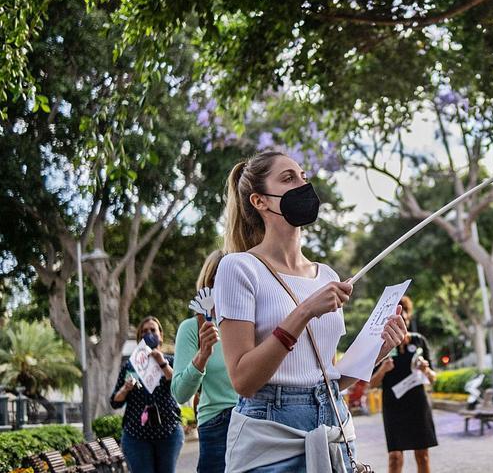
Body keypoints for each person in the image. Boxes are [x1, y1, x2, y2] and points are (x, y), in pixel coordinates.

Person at [214, 151, 407, 472]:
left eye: (303, 176)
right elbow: (243, 380)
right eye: (288, 178)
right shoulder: (239, 268)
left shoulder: (327, 276)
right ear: (260, 201)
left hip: (334, 425)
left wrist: (379, 349)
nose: (304, 185)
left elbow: (330, 376)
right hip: (271, 434)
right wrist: (303, 312)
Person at [171, 250, 237, 473]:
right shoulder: (192, 329)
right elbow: (180, 393)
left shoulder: (254, 320)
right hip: (218, 424)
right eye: (220, 277)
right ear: (208, 282)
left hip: (257, 420)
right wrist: (203, 356)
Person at [369, 296, 437, 473]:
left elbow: (433, 378)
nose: (401, 322)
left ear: (408, 318)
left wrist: (425, 370)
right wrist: (383, 369)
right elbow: (371, 384)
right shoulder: (381, 344)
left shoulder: (418, 341)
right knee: (395, 457)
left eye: (404, 318)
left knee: (422, 455)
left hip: (417, 404)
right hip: (393, 406)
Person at [110, 316, 183, 473]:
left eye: (152, 330)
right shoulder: (131, 365)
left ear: (160, 335)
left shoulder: (170, 361)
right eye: (144, 331)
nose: (148, 333)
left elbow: (178, 385)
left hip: (168, 432)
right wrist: (125, 389)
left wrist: (161, 362)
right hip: (136, 435)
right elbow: (115, 402)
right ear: (139, 337)